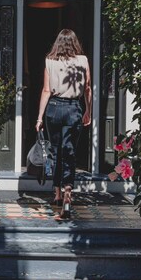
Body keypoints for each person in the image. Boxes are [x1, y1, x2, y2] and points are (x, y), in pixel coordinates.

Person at [35, 29, 91, 219]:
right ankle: (67, 195)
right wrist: (88, 111)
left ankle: (57, 193)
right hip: (74, 108)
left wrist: (40, 117)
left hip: (55, 109)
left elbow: (46, 90)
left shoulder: (50, 61)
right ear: (74, 42)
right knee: (69, 152)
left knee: (56, 151)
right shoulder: (82, 61)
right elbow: (88, 88)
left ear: (57, 43)